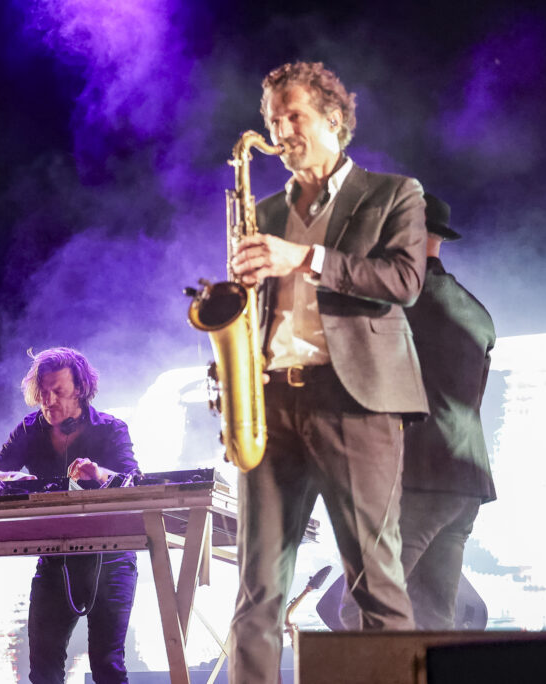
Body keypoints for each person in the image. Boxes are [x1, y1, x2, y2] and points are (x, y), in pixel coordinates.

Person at [227, 61, 429, 682]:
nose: (281, 131)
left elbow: (403, 281)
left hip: (355, 404)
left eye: (295, 117)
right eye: (271, 120)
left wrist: (306, 258)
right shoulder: (260, 208)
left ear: (334, 120)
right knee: (257, 595)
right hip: (270, 406)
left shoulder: (395, 194)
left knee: (374, 584)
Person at [0, 347, 138, 684]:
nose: (48, 400)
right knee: (44, 668)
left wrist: (97, 472)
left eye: (58, 392)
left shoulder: (110, 428)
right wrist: (11, 478)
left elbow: (133, 482)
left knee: (108, 666)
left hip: (111, 557)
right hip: (55, 558)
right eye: (43, 392)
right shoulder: (29, 428)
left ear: (80, 388)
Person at [392, 193, 497, 628]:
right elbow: (473, 401)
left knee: (362, 611)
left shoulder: (395, 305)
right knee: (435, 621)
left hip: (419, 477)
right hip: (465, 482)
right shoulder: (478, 314)